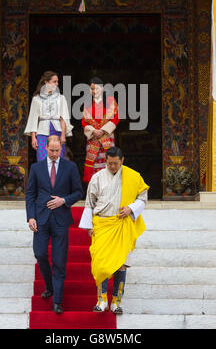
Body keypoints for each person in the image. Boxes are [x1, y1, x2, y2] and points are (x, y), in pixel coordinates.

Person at [79, 146, 149, 314]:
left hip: (122, 224)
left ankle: (116, 302)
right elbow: (89, 202)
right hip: (102, 225)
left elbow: (143, 198)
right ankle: (102, 300)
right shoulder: (97, 178)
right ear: (106, 161)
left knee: (121, 265)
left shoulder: (132, 176)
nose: (112, 167)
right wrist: (89, 227)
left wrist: (131, 209)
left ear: (122, 160)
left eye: (115, 163)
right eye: (109, 163)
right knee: (101, 265)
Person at [26, 135, 83, 314]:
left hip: (60, 219)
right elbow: (30, 195)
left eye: (57, 151)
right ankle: (49, 286)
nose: (54, 154)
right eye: (51, 150)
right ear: (46, 149)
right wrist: (31, 217)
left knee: (59, 261)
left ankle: (57, 300)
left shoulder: (70, 167)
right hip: (41, 218)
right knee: (40, 253)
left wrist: (63, 200)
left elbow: (79, 192)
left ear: (62, 150)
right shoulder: (36, 168)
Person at [24, 71, 73, 161]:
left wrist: (63, 135)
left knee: (57, 160)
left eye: (57, 82)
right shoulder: (36, 99)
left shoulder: (61, 98)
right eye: (54, 81)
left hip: (57, 132)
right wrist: (33, 138)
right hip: (42, 133)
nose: (57, 84)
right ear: (46, 82)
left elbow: (63, 118)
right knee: (42, 160)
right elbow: (33, 119)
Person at [82, 77, 119, 183]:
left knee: (109, 161)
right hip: (93, 137)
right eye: (92, 89)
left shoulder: (110, 100)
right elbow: (84, 122)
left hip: (107, 136)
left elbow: (115, 118)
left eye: (97, 89)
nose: (94, 91)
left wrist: (102, 131)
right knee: (94, 165)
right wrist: (94, 131)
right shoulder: (87, 102)